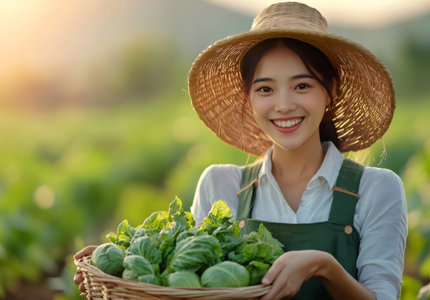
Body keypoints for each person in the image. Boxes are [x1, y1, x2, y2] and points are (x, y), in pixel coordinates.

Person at [75, 2, 407, 299]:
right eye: (265, 89)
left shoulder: (376, 189)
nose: (283, 105)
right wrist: (121, 261)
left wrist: (324, 266)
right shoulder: (221, 187)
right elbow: (190, 283)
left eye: (302, 85)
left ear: (330, 91)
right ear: (249, 98)